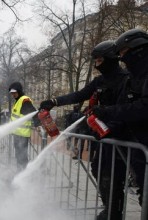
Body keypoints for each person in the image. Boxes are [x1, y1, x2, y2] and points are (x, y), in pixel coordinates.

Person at [40, 40, 128, 220]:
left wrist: (111, 126)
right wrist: (54, 101)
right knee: (98, 169)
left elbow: (126, 109)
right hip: (102, 134)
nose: (96, 64)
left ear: (110, 59)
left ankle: (114, 212)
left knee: (113, 175)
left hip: (119, 135)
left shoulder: (125, 79)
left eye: (99, 60)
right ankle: (109, 208)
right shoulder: (99, 81)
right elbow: (79, 95)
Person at [92, 29, 148, 209]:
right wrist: (109, 129)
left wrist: (108, 112)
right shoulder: (132, 79)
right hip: (138, 146)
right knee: (144, 193)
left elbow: (143, 108)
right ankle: (111, 211)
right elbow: (125, 109)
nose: (122, 59)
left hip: (143, 145)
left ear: (138, 50)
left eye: (124, 53)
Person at [9, 81, 40, 171]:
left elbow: (33, 112)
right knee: (19, 155)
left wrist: (37, 124)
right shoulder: (18, 101)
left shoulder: (24, 100)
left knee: (22, 156)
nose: (13, 94)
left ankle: (23, 174)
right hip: (17, 134)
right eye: (12, 93)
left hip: (22, 134)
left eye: (14, 92)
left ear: (19, 91)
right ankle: (20, 172)